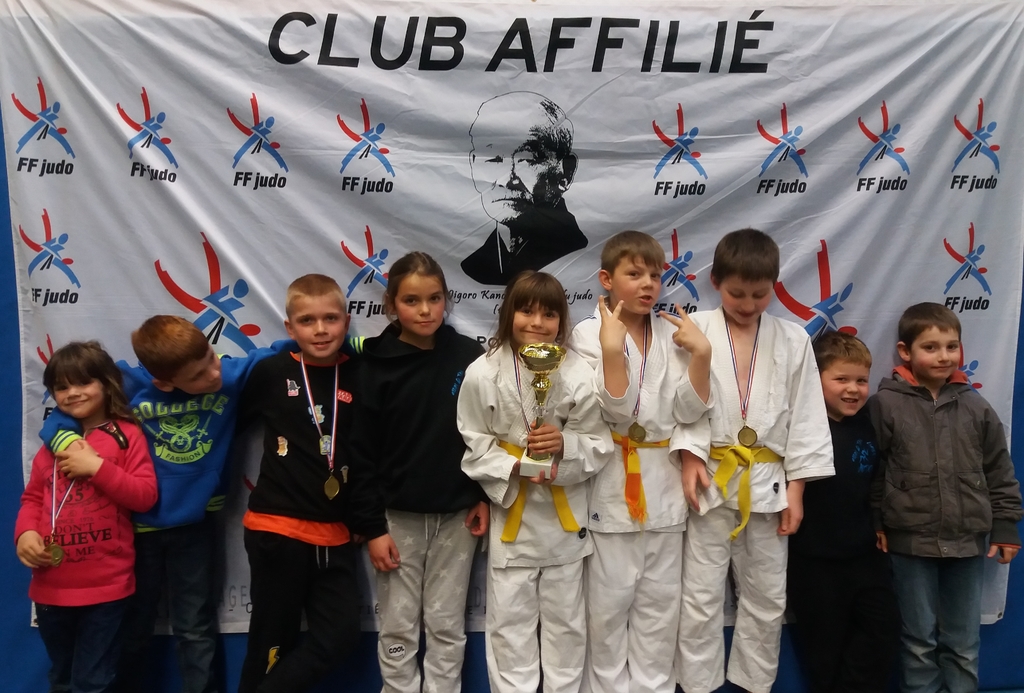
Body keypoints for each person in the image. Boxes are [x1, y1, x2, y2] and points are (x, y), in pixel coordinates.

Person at [40, 316, 290, 693]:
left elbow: (284, 351)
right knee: (134, 626)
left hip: (194, 527)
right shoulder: (128, 383)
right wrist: (67, 442)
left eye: (211, 358)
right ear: (163, 382)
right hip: (135, 530)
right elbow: (62, 413)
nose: (213, 374)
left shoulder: (228, 373)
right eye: (198, 375)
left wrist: (356, 344)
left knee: (195, 627)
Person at [676, 228, 834, 693]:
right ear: (715, 283)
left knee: (767, 595)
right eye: (737, 293)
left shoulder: (793, 338)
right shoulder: (695, 329)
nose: (747, 304)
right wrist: (689, 454)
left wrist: (797, 490)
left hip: (769, 484)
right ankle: (698, 686)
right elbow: (677, 400)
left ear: (774, 287)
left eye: (759, 294)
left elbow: (806, 415)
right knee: (700, 595)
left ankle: (754, 684)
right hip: (710, 478)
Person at [570, 230, 711, 693]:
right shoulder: (587, 333)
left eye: (655, 274)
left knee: (659, 610)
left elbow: (689, 410)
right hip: (613, 480)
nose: (648, 284)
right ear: (606, 279)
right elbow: (614, 410)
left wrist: (701, 354)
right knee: (607, 610)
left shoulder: (673, 333)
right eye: (634, 274)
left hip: (665, 486)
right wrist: (612, 349)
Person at [458, 270, 611, 693]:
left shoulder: (578, 372)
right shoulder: (482, 372)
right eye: (526, 311)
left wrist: (564, 444)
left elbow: (597, 443)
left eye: (549, 314)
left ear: (562, 321)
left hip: (564, 517)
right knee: (510, 628)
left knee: (567, 628)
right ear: (508, 314)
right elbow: (473, 439)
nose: (537, 323)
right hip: (514, 520)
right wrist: (512, 465)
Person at [236, 274, 386, 693]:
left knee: (340, 637)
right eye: (307, 321)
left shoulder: (361, 374)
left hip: (337, 535)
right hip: (276, 530)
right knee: (270, 643)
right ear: (290, 327)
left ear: (347, 321)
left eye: (330, 319)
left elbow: (367, 453)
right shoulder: (270, 372)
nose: (320, 330)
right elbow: (226, 424)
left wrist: (365, 518)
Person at [353, 252, 489, 693]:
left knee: (447, 624)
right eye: (412, 301)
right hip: (396, 520)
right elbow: (360, 454)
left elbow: (486, 434)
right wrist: (373, 528)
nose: (425, 310)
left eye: (434, 298)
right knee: (398, 626)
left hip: (458, 517)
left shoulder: (469, 356)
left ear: (446, 299)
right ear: (391, 305)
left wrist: (482, 496)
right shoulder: (373, 366)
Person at [869, 302, 1022, 693]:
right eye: (931, 347)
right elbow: (873, 469)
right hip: (909, 542)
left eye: (952, 346)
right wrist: (876, 521)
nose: (943, 356)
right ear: (905, 351)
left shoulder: (977, 406)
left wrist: (1006, 525)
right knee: (918, 642)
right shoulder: (885, 404)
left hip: (967, 542)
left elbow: (999, 469)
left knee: (963, 644)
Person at [16, 341, 158, 693]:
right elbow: (33, 497)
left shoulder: (127, 435)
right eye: (62, 387)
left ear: (107, 384)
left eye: (83, 382)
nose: (73, 393)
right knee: (62, 679)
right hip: (50, 587)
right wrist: (25, 534)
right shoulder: (52, 444)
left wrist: (96, 468)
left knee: (94, 682)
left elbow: (144, 496)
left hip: (107, 589)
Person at [787, 331, 900, 693]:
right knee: (825, 651)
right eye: (841, 379)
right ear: (814, 378)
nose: (853, 389)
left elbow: (878, 480)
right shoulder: (799, 427)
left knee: (883, 630)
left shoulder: (868, 422)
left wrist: (879, 523)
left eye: (861, 381)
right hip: (813, 561)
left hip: (865, 555)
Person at [461, 92, 587, 285]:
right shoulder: (471, 267)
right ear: (472, 163)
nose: (508, 178)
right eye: (493, 158)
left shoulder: (580, 256)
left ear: (566, 172)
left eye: (528, 159)